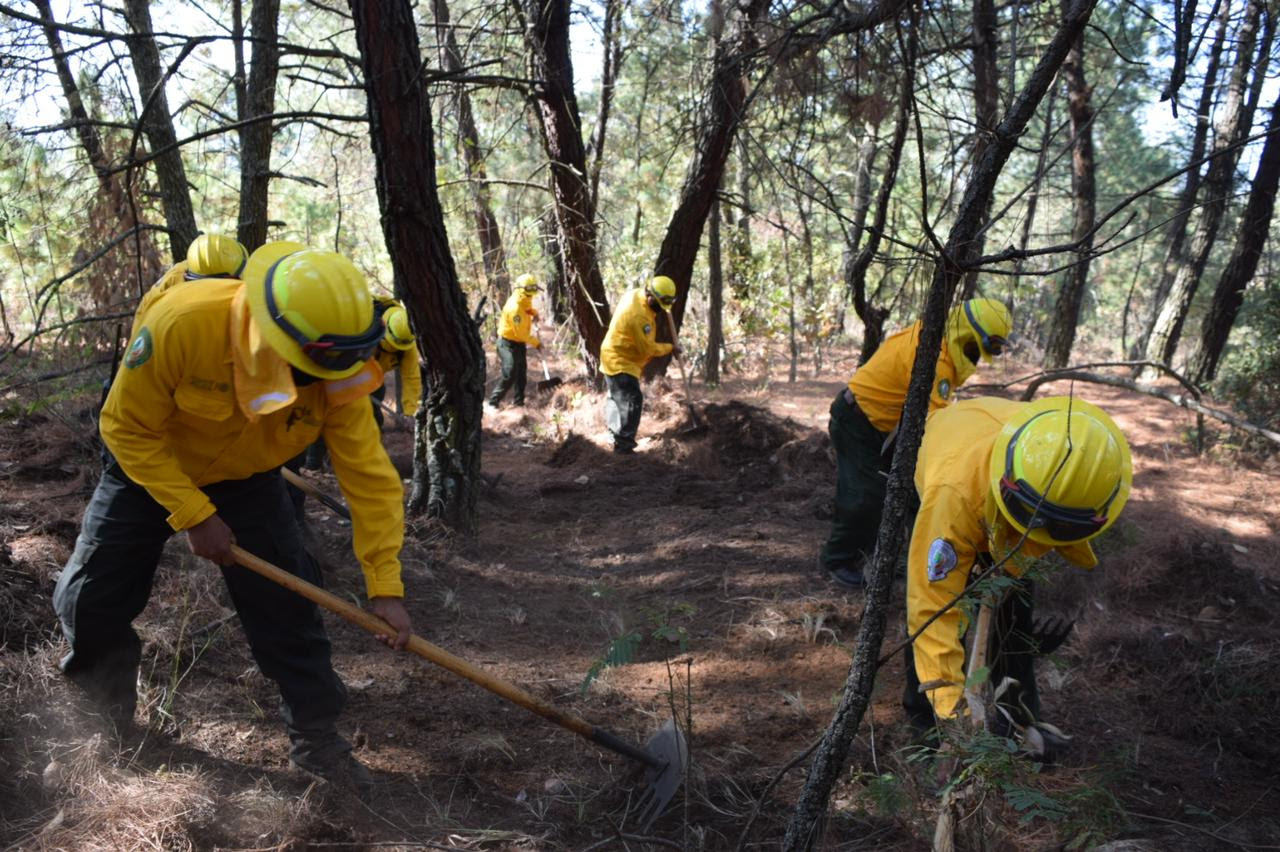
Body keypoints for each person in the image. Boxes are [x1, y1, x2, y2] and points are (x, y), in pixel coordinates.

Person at [54, 240, 412, 786]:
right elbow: (125, 426)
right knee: (91, 600)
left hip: (249, 479)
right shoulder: (184, 323)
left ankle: (317, 741)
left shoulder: (339, 370)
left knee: (288, 606)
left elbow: (370, 480)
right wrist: (195, 514)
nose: (322, 379)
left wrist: (385, 586)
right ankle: (104, 730)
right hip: (149, 464)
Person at [902, 395, 1131, 754]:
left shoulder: (1080, 466)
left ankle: (1018, 719)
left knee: (1015, 610)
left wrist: (1010, 565)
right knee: (939, 615)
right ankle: (930, 730)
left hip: (1003, 497)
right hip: (948, 478)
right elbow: (931, 609)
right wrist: (955, 717)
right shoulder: (952, 496)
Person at [820, 298, 1012, 589]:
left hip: (883, 427)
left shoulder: (937, 343)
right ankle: (836, 560)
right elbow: (934, 423)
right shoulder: (935, 356)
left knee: (906, 494)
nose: (977, 358)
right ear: (965, 334)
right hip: (856, 420)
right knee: (864, 494)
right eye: (978, 348)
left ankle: (892, 559)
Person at [599, 275, 679, 454]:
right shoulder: (639, 316)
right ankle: (624, 445)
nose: (661, 309)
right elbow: (646, 349)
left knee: (616, 397)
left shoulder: (635, 294)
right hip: (620, 360)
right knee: (632, 400)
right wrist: (670, 348)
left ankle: (615, 436)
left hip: (613, 353)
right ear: (650, 296)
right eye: (659, 304)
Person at [487, 274, 541, 407]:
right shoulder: (514, 308)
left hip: (519, 343)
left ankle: (519, 402)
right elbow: (521, 334)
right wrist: (536, 343)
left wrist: (534, 313)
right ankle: (493, 402)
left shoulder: (524, 299)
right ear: (520, 290)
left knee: (521, 373)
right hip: (506, 343)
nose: (530, 296)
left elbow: (527, 307)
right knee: (510, 371)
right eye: (528, 294)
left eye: (531, 294)